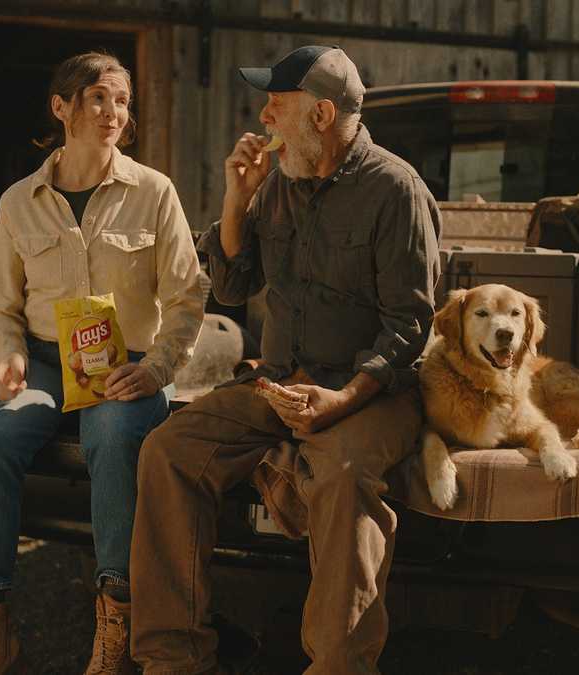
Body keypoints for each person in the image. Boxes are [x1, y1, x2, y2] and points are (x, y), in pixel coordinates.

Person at [129, 45, 442, 674]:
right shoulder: (277, 182)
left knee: (344, 479)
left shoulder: (395, 189)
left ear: (322, 114)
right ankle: (173, 659)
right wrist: (235, 198)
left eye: (278, 102)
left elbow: (408, 327)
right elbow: (235, 285)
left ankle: (337, 666)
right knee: (169, 450)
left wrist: (343, 400)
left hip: (369, 392)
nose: (264, 114)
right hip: (277, 384)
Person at [0, 51, 204, 675]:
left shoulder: (154, 192)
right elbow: (1, 306)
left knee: (116, 439)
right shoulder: (19, 201)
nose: (113, 112)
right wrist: (6, 356)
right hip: (40, 359)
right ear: (61, 107)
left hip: (130, 363)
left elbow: (187, 294)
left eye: (121, 100)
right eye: (97, 98)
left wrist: (157, 368)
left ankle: (118, 615)